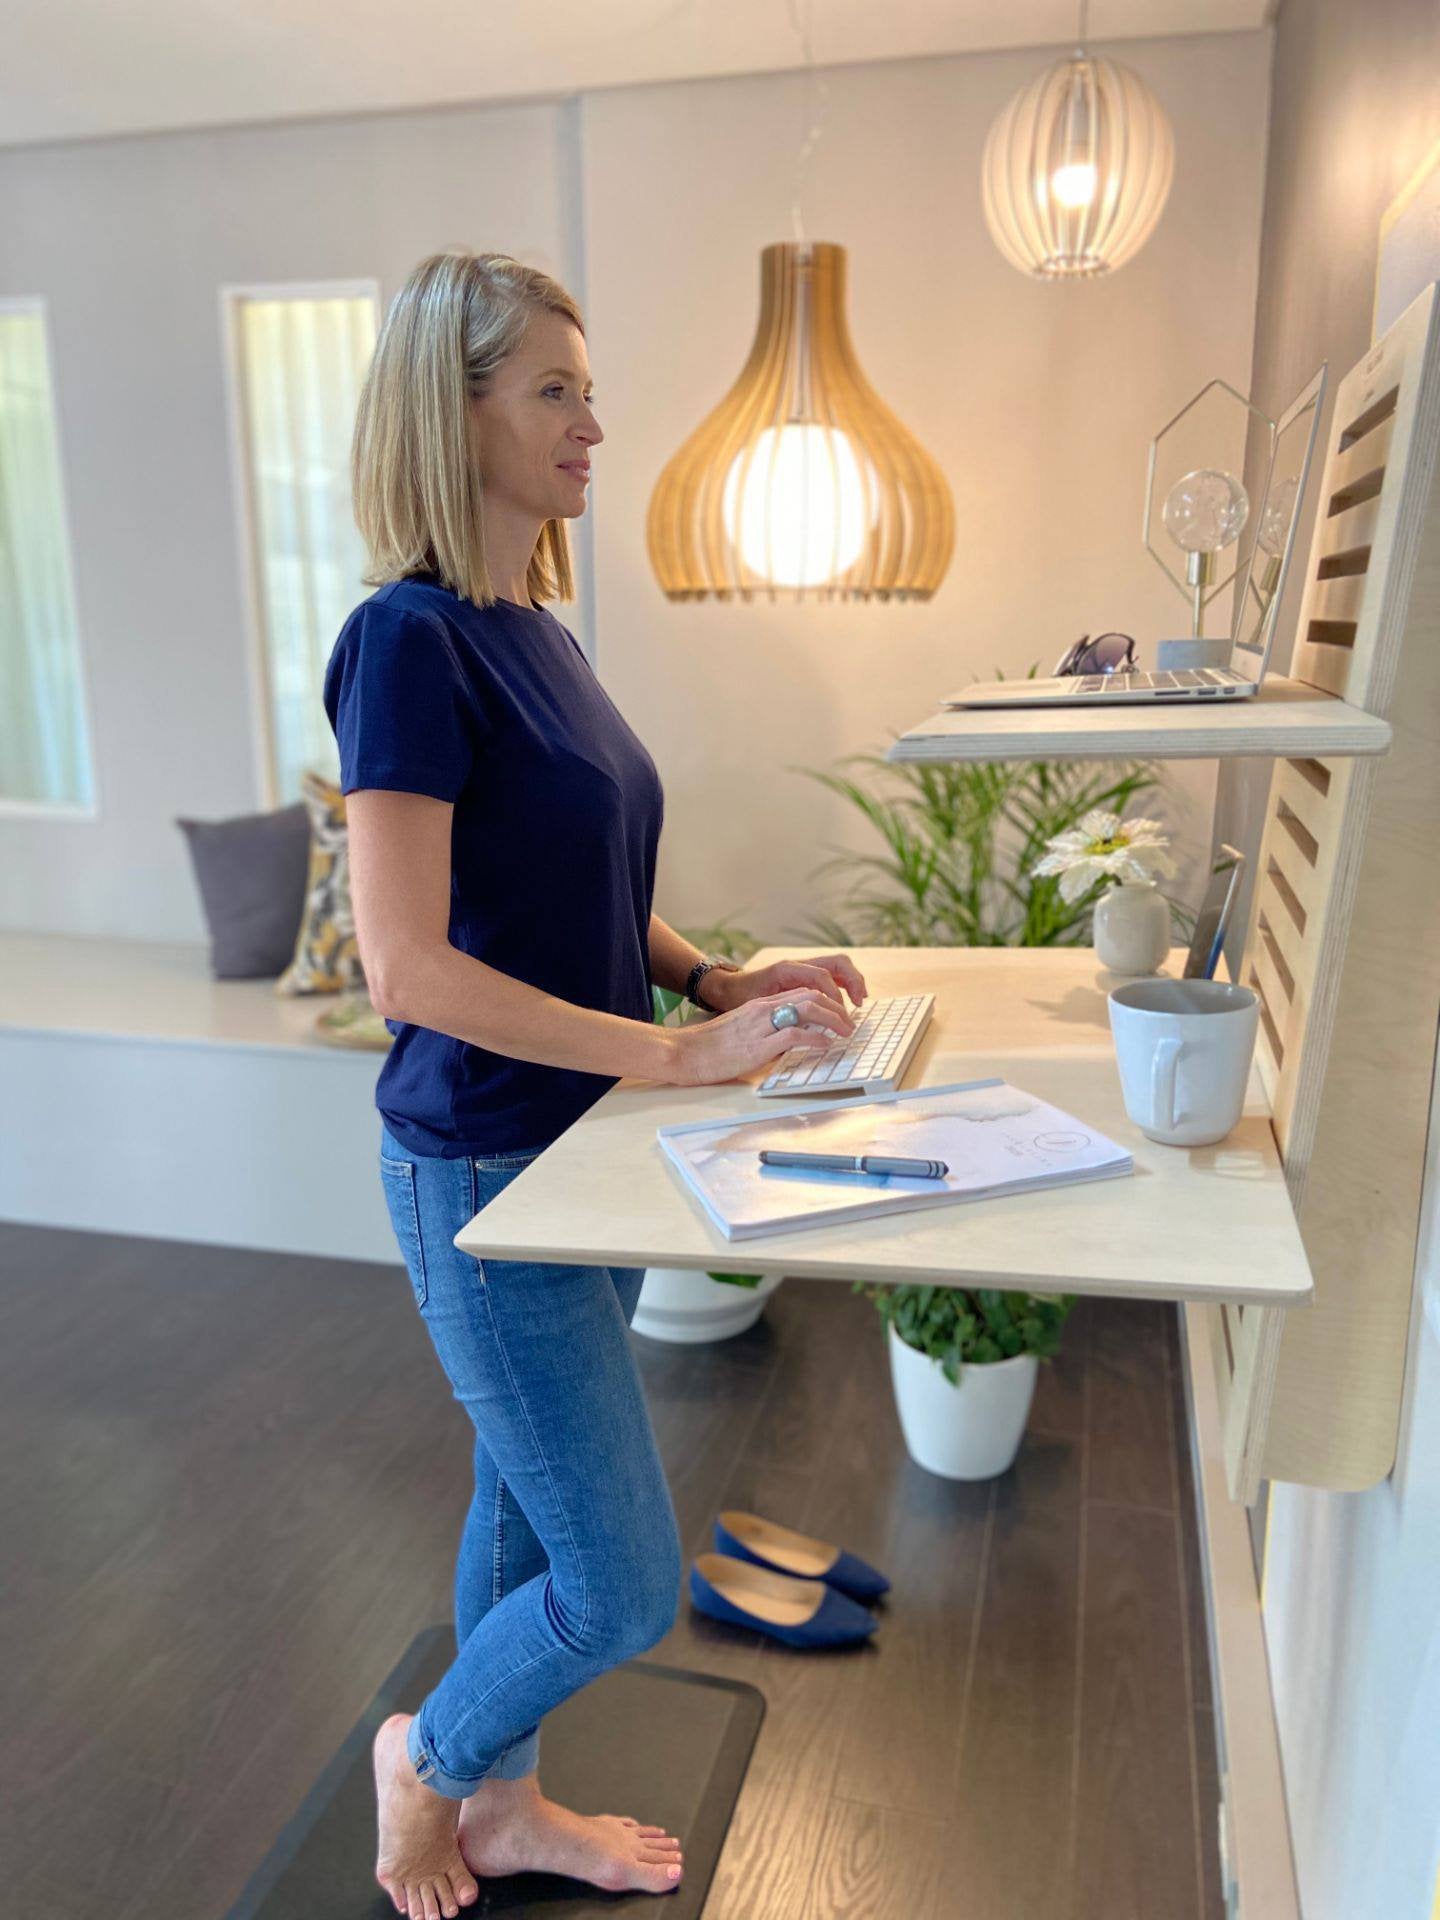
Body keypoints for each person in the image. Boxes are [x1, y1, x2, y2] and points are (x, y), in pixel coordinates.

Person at [323, 249, 868, 1920]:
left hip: (585, 1159)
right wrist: (677, 1051)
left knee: (519, 1505)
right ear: (456, 407)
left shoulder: (533, 632)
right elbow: (405, 966)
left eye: (587, 388)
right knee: (621, 1582)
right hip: (485, 1175)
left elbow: (580, 884)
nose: (592, 423)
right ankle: (426, 1758)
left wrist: (715, 976)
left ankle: (503, 1806)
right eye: (553, 390)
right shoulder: (406, 642)